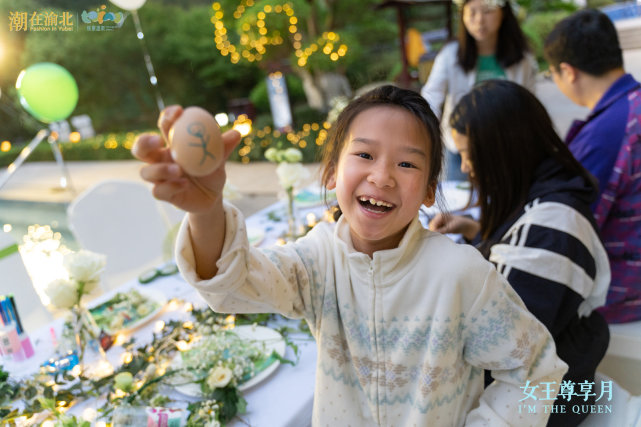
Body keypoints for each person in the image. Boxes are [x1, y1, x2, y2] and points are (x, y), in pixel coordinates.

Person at [132, 85, 567, 425]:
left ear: (431, 190)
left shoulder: (461, 276)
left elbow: (536, 369)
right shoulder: (317, 262)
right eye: (364, 154)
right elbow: (234, 286)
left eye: (407, 164)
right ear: (331, 172)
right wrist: (207, 210)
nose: (382, 176)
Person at [429, 80, 610, 426]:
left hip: (546, 402)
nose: (465, 167)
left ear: (505, 150)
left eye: (470, 154)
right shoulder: (546, 196)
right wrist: (472, 230)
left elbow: (497, 346)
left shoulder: (552, 230)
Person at [544, 9, 641, 323]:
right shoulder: (631, 108)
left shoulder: (605, 132)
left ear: (568, 72)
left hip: (624, 293)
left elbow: (569, 224)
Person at [420, 0, 537, 180]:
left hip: (507, 149)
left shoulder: (523, 59)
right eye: (472, 12)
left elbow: (530, 105)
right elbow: (431, 96)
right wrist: (426, 134)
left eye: (487, 11)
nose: (479, 20)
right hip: (461, 151)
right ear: (462, 15)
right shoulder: (450, 54)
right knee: (459, 201)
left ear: (503, 12)